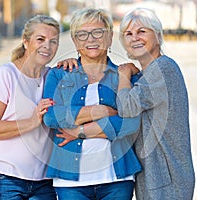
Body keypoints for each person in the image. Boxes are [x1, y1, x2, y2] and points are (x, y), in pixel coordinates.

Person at [42, 8, 142, 200]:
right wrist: (102, 111)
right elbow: (52, 116)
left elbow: (131, 123)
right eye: (82, 34)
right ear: (74, 40)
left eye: (98, 32)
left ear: (110, 37)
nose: (91, 39)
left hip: (117, 180)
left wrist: (78, 131)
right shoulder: (59, 74)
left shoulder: (125, 76)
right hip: (71, 183)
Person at [0, 15, 60, 200]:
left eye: (54, 41)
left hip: (43, 180)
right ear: (25, 41)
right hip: (3, 177)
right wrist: (31, 121)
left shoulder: (53, 76)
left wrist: (71, 66)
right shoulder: (6, 75)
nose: (48, 46)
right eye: (40, 39)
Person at [117, 8, 195, 199]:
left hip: (168, 179)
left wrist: (123, 75)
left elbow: (127, 108)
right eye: (128, 34)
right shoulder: (147, 73)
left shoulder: (163, 69)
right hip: (155, 177)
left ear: (158, 36)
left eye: (142, 31)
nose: (135, 37)